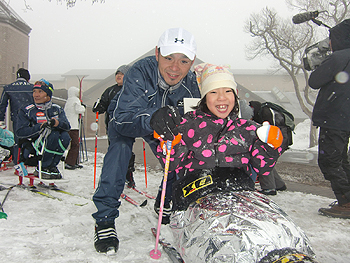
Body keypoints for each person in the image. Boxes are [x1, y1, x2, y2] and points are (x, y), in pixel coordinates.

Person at [154, 63, 315, 262]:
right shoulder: (188, 125)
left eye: (227, 91)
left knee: (278, 227)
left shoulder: (248, 129)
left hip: (242, 194)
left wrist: (271, 145)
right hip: (197, 195)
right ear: (204, 97)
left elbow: (262, 166)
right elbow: (171, 162)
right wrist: (170, 140)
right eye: (214, 92)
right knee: (227, 239)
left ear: (236, 94)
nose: (222, 98)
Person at [92, 27, 200, 254]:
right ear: (157, 53)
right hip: (131, 121)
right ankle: (104, 219)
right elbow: (122, 119)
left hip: (164, 128)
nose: (174, 67)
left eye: (183, 61)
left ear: (192, 62)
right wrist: (152, 118)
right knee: (120, 150)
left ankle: (166, 199)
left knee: (182, 154)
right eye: (169, 57)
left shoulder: (192, 81)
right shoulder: (140, 71)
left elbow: (200, 119)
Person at [309, 19, 350, 219]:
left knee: (330, 161)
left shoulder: (339, 58)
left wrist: (322, 62)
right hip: (345, 119)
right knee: (342, 160)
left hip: (334, 118)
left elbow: (314, 81)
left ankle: (346, 202)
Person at [16, 79, 71, 179]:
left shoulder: (57, 109)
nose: (36, 95)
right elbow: (20, 132)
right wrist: (39, 127)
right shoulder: (27, 110)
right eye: (34, 91)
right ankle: (43, 166)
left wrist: (57, 123)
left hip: (52, 141)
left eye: (40, 92)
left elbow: (67, 126)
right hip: (33, 143)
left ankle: (52, 165)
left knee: (65, 137)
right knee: (52, 134)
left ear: (48, 94)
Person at [92, 65, 136, 187]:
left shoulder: (132, 90)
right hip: (112, 127)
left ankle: (128, 176)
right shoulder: (110, 90)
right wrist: (98, 108)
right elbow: (103, 105)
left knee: (127, 151)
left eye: (122, 74)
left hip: (128, 126)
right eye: (117, 74)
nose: (118, 76)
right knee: (114, 152)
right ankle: (115, 178)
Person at [249, 100, 287, 195]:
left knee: (262, 160)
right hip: (282, 138)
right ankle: (279, 185)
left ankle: (269, 188)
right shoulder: (262, 112)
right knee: (270, 162)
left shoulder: (264, 114)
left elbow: (267, 130)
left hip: (276, 140)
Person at [0, 68, 34, 164]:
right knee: (30, 139)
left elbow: (2, 105)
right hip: (31, 118)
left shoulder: (8, 88)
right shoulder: (33, 88)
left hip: (17, 118)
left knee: (17, 140)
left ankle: (17, 161)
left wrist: (1, 119)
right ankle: (27, 159)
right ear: (28, 78)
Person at [64, 86, 86, 170]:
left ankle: (74, 161)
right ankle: (70, 162)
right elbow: (78, 110)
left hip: (68, 125)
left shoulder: (68, 101)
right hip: (73, 126)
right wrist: (83, 107)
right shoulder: (75, 100)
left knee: (73, 144)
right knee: (75, 144)